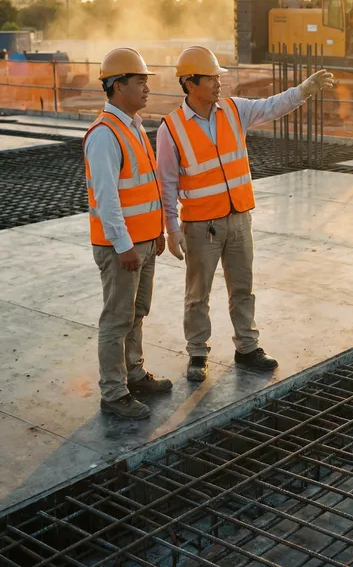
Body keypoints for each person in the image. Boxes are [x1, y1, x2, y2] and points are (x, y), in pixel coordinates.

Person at [156, 45, 333, 382]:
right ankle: (197, 352)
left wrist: (303, 90)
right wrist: (171, 228)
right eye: (211, 78)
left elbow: (272, 106)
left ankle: (247, 347)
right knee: (198, 293)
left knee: (243, 287)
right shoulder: (172, 128)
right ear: (190, 83)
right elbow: (166, 181)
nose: (219, 83)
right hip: (200, 225)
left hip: (239, 218)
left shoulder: (234, 110)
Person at [83, 47, 171, 420]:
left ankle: (133, 374)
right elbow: (107, 199)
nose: (146, 88)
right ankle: (114, 392)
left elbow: (143, 188)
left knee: (137, 312)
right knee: (117, 318)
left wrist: (157, 233)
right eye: (140, 81)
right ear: (118, 86)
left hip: (144, 242)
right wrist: (124, 245)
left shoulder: (132, 126)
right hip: (123, 248)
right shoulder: (105, 135)